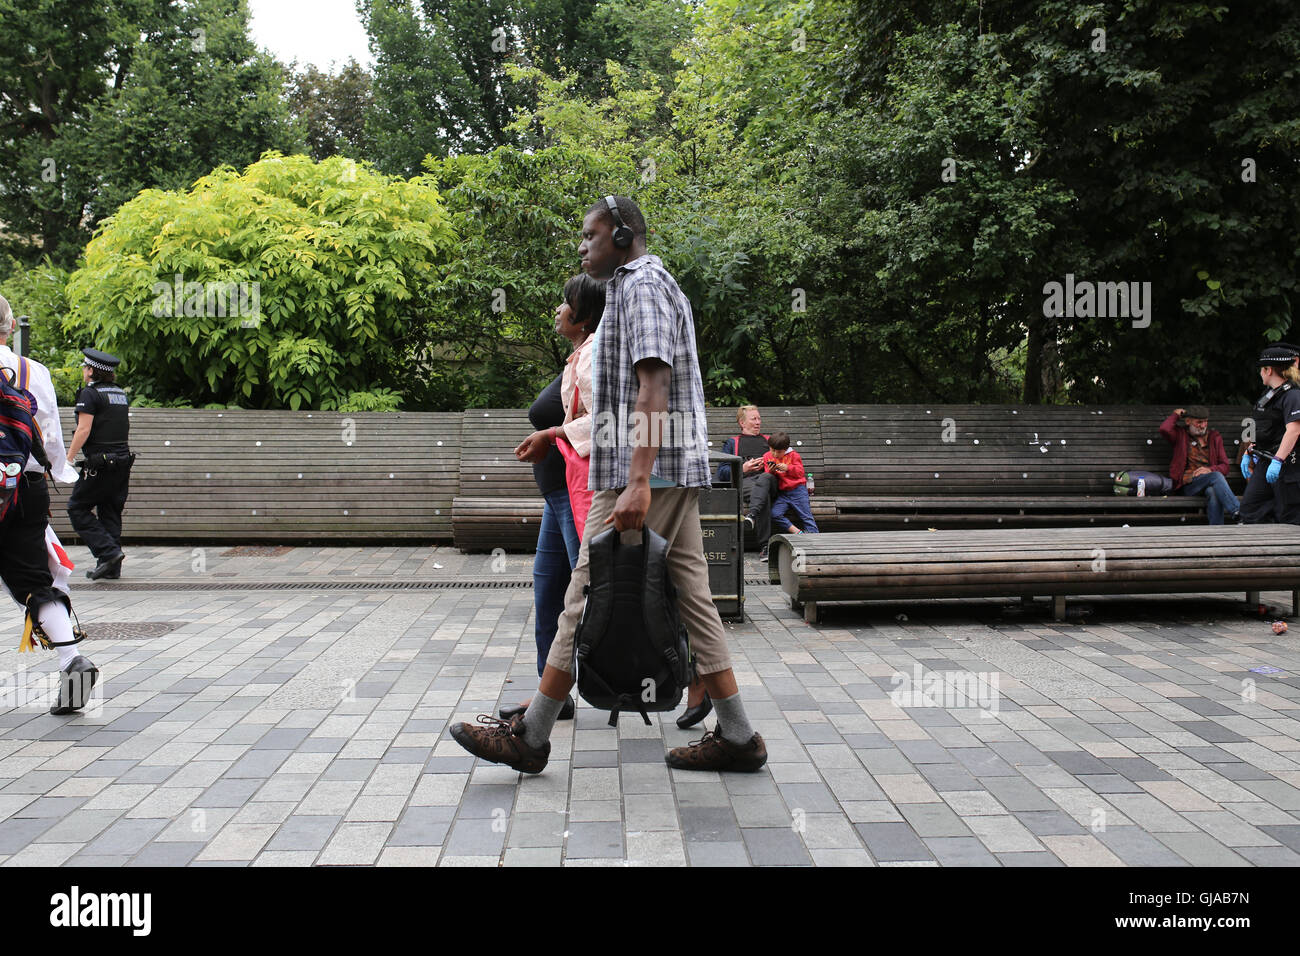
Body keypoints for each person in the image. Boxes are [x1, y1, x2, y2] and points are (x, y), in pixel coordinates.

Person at [450, 195, 767, 773]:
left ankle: (533, 735)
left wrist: (638, 483)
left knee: (582, 591)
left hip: (645, 471)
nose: (582, 246)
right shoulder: (643, 285)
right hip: (662, 468)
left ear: (621, 237)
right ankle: (740, 737)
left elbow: (653, 388)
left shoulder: (641, 286)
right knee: (695, 598)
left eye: (590, 236)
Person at [499, 275, 605, 721]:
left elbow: (607, 420)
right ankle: (551, 696)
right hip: (557, 494)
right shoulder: (579, 354)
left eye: (564, 305)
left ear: (581, 317)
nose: (558, 311)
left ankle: (615, 677)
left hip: (574, 491)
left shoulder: (594, 353)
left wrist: (552, 432)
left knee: (580, 595)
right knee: (548, 589)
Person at [0, 295, 97, 714]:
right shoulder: (31, 371)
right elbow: (52, 440)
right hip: (26, 487)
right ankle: (71, 658)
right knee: (34, 580)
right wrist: (54, 474)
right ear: (8, 328)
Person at [66, 348, 133, 579]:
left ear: (92, 370)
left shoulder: (90, 394)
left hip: (101, 464)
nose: (84, 371)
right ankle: (111, 567)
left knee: (76, 508)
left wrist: (69, 457)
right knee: (110, 511)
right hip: (122, 462)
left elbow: (84, 429)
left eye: (86, 367)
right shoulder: (119, 393)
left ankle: (109, 552)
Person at [1239, 345, 1300, 524]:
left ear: (1269, 370)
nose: (1260, 373)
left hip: (1287, 464)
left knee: (1289, 515)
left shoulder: (1293, 395)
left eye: (1261, 369)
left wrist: (1279, 460)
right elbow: (1262, 427)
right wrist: (1249, 450)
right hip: (1266, 460)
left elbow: (1294, 430)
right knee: (1250, 509)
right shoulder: (1268, 395)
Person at [715, 406, 778, 560]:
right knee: (762, 494)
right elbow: (721, 472)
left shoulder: (770, 441)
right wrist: (743, 468)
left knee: (764, 479)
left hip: (770, 480)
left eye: (759, 418)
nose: (758, 422)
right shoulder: (732, 443)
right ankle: (765, 546)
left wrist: (770, 465)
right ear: (742, 423)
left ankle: (752, 515)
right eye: (753, 419)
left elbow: (788, 462)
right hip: (746, 484)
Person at [1158, 405, 1240, 524]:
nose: (1203, 426)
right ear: (1188, 421)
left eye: (1205, 422)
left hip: (1210, 481)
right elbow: (1164, 429)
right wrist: (1175, 415)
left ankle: (1217, 532)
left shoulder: (1214, 437)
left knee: (1213, 490)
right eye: (1199, 422)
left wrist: (1210, 469)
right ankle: (1238, 512)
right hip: (1189, 484)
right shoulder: (1180, 435)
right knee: (1216, 476)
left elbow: (1225, 466)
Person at [764, 430, 820, 534]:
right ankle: (798, 533)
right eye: (772, 450)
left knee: (807, 517)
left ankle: (815, 539)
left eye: (779, 452)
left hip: (798, 491)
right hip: (783, 494)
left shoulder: (794, 456)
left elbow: (800, 472)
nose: (775, 454)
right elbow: (767, 474)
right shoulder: (767, 456)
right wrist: (771, 471)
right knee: (774, 514)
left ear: (786, 449)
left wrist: (788, 468)